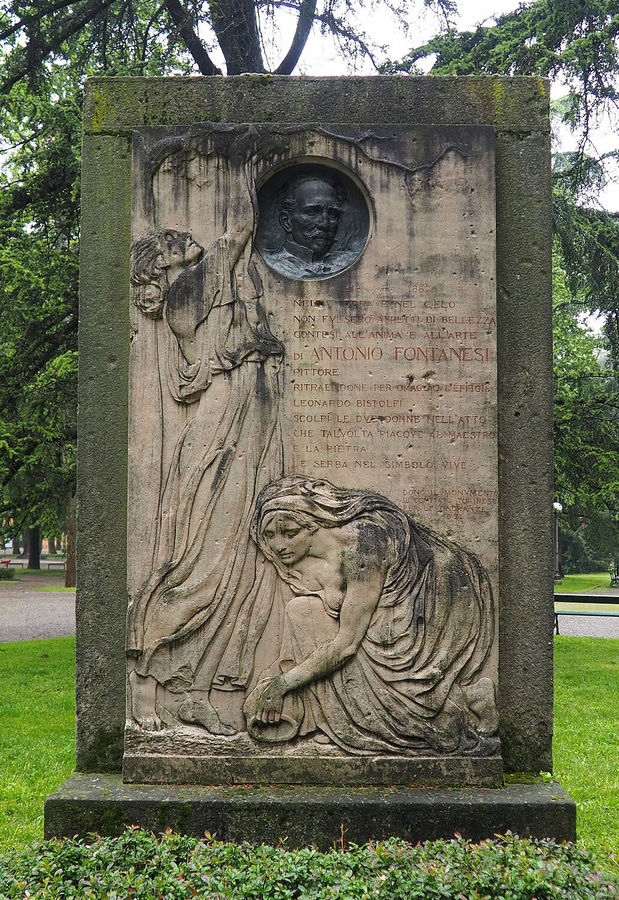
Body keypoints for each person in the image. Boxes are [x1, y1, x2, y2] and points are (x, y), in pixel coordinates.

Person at [127, 208, 285, 733]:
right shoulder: (186, 294)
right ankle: (148, 679)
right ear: (164, 260)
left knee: (241, 562)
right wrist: (252, 170)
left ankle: (196, 689)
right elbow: (237, 232)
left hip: (244, 419)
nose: (188, 238)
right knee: (204, 562)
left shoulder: (208, 288)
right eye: (176, 240)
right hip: (222, 427)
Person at [243, 476, 499, 756]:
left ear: (313, 524)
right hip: (377, 624)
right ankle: (326, 716)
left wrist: (282, 685)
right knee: (301, 611)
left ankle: (468, 700)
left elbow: (346, 644)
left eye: (290, 533)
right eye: (270, 535)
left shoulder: (364, 545)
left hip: (411, 629)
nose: (279, 545)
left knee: (418, 712)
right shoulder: (313, 558)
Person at [260, 173, 358, 279]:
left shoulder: (344, 261)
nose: (324, 224)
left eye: (333, 215)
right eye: (312, 212)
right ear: (286, 221)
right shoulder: (277, 264)